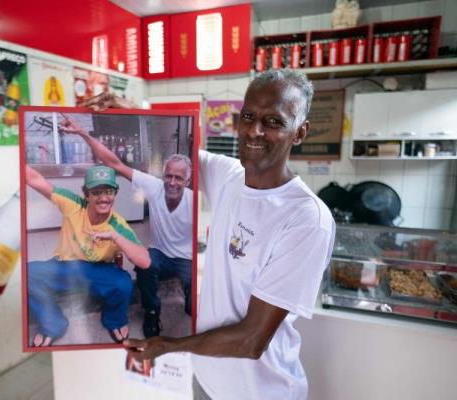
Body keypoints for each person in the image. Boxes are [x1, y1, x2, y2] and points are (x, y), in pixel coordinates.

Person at [86, 69, 335, 400]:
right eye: (248, 116)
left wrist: (169, 346)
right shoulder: (230, 176)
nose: (255, 131)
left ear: (300, 132)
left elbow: (251, 340)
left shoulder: (305, 218)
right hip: (206, 379)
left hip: (259, 392)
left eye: (273, 121)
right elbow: (169, 163)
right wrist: (127, 109)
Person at [60, 114, 193, 338]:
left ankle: (193, 299)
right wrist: (83, 133)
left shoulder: (194, 200)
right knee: (144, 265)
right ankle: (152, 312)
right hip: (159, 252)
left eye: (179, 178)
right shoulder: (154, 187)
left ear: (187, 181)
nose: (172, 182)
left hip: (186, 258)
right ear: (162, 175)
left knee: (193, 306)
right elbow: (114, 163)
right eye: (168, 176)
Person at [25, 164, 150, 346]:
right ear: (86, 193)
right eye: (96, 192)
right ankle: (53, 323)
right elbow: (34, 179)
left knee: (123, 283)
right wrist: (12, 155)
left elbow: (145, 261)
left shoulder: (118, 225)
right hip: (64, 266)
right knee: (26, 273)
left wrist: (115, 236)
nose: (103, 198)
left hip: (98, 272)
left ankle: (114, 320)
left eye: (108, 191)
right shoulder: (73, 204)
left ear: (115, 193)